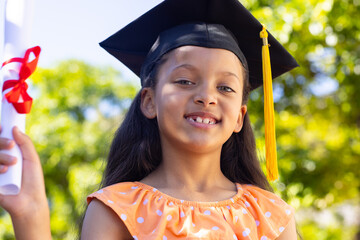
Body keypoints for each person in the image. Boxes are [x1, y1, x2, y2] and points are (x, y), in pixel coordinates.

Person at [0, 0, 299, 239]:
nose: (207, 96)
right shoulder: (117, 209)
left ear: (239, 117)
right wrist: (31, 216)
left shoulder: (270, 214)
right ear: (149, 100)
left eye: (225, 87)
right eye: (184, 81)